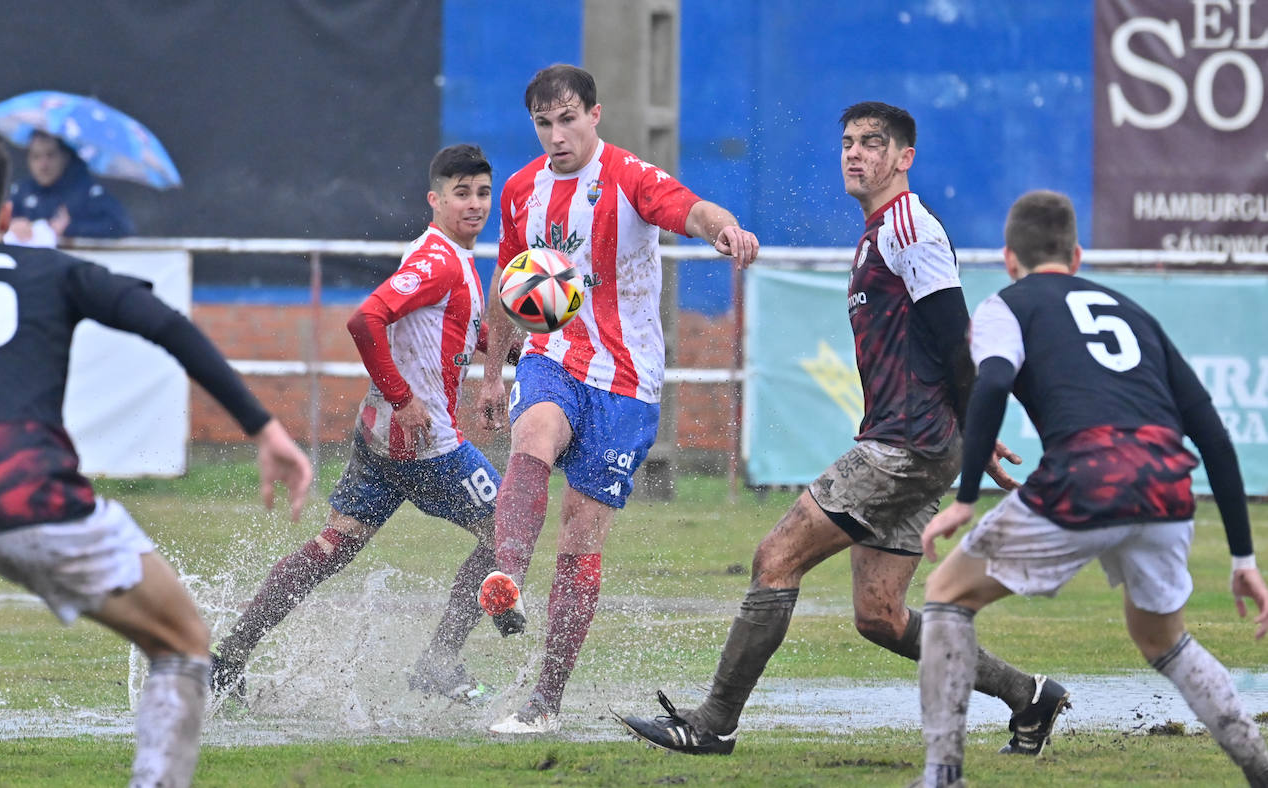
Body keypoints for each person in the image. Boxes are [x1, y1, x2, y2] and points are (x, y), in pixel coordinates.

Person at [618, 102, 1067, 756]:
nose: (854, 153)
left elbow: (955, 340)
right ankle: (1031, 696)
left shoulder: (909, 227)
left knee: (776, 558)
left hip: (905, 446)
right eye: (848, 142)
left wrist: (975, 429)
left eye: (872, 143)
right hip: (916, 439)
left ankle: (713, 723)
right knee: (881, 615)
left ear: (904, 158)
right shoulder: (877, 231)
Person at [0, 131, 313, 787]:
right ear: (7, 213)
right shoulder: (51, 269)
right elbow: (164, 323)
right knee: (181, 646)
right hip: (32, 490)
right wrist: (263, 428)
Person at [915, 190, 1268, 788]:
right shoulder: (1134, 312)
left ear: (1009, 259)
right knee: (1162, 638)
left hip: (1086, 476)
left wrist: (967, 497)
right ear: (1076, 255)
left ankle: (942, 776)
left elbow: (993, 383)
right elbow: (1210, 434)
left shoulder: (1008, 303)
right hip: (1165, 488)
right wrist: (1243, 557)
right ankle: (1260, 766)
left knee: (947, 594)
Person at [473, 63, 760, 734]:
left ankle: (543, 703)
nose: (556, 135)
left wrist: (724, 229)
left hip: (628, 382)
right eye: (543, 124)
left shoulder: (628, 177)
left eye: (567, 119)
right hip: (553, 357)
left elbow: (690, 208)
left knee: (580, 531)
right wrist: (491, 374)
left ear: (594, 115)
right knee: (534, 434)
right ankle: (507, 578)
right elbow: (508, 282)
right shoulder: (521, 191)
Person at [210, 143, 512, 704]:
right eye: (461, 194)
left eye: (482, 193)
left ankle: (228, 658)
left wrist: (509, 352)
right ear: (435, 199)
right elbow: (364, 319)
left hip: (379, 441)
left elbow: (463, 330)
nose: (474, 205)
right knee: (509, 528)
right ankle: (440, 662)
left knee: (332, 547)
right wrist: (403, 399)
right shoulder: (439, 260)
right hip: (426, 445)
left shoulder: (452, 259)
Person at [8, 130, 134, 243]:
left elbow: (122, 226)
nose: (43, 165)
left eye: (50, 155)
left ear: (65, 156)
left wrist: (70, 228)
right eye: (36, 157)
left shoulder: (86, 191)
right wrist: (10, 226)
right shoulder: (21, 191)